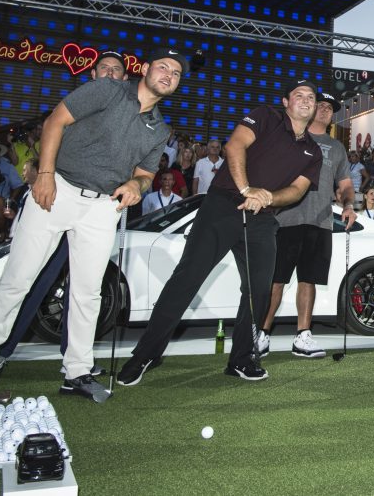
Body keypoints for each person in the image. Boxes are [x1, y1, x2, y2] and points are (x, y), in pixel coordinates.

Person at [0, 47, 188, 403]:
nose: (168, 75)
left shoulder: (159, 128)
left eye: (176, 73)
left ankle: (76, 371)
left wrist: (135, 187)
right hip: (57, 188)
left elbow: (146, 174)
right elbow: (55, 121)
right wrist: (45, 175)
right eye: (163, 67)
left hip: (103, 207)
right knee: (18, 279)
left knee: (88, 292)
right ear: (146, 69)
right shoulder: (107, 90)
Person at [118, 79, 323, 386]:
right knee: (187, 278)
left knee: (259, 291)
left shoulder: (313, 151)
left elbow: (296, 191)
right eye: (299, 95)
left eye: (311, 97)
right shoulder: (266, 115)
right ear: (286, 102)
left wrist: (266, 197)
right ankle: (144, 355)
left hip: (262, 217)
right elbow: (235, 145)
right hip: (223, 204)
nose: (306, 100)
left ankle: (241, 359)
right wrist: (246, 189)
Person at [258, 92, 354, 359]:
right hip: (284, 220)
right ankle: (262, 333)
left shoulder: (336, 148)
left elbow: (345, 185)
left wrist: (347, 205)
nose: (324, 110)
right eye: (320, 105)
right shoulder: (291, 137)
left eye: (329, 107)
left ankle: (303, 336)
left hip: (320, 222)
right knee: (275, 280)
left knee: (308, 280)